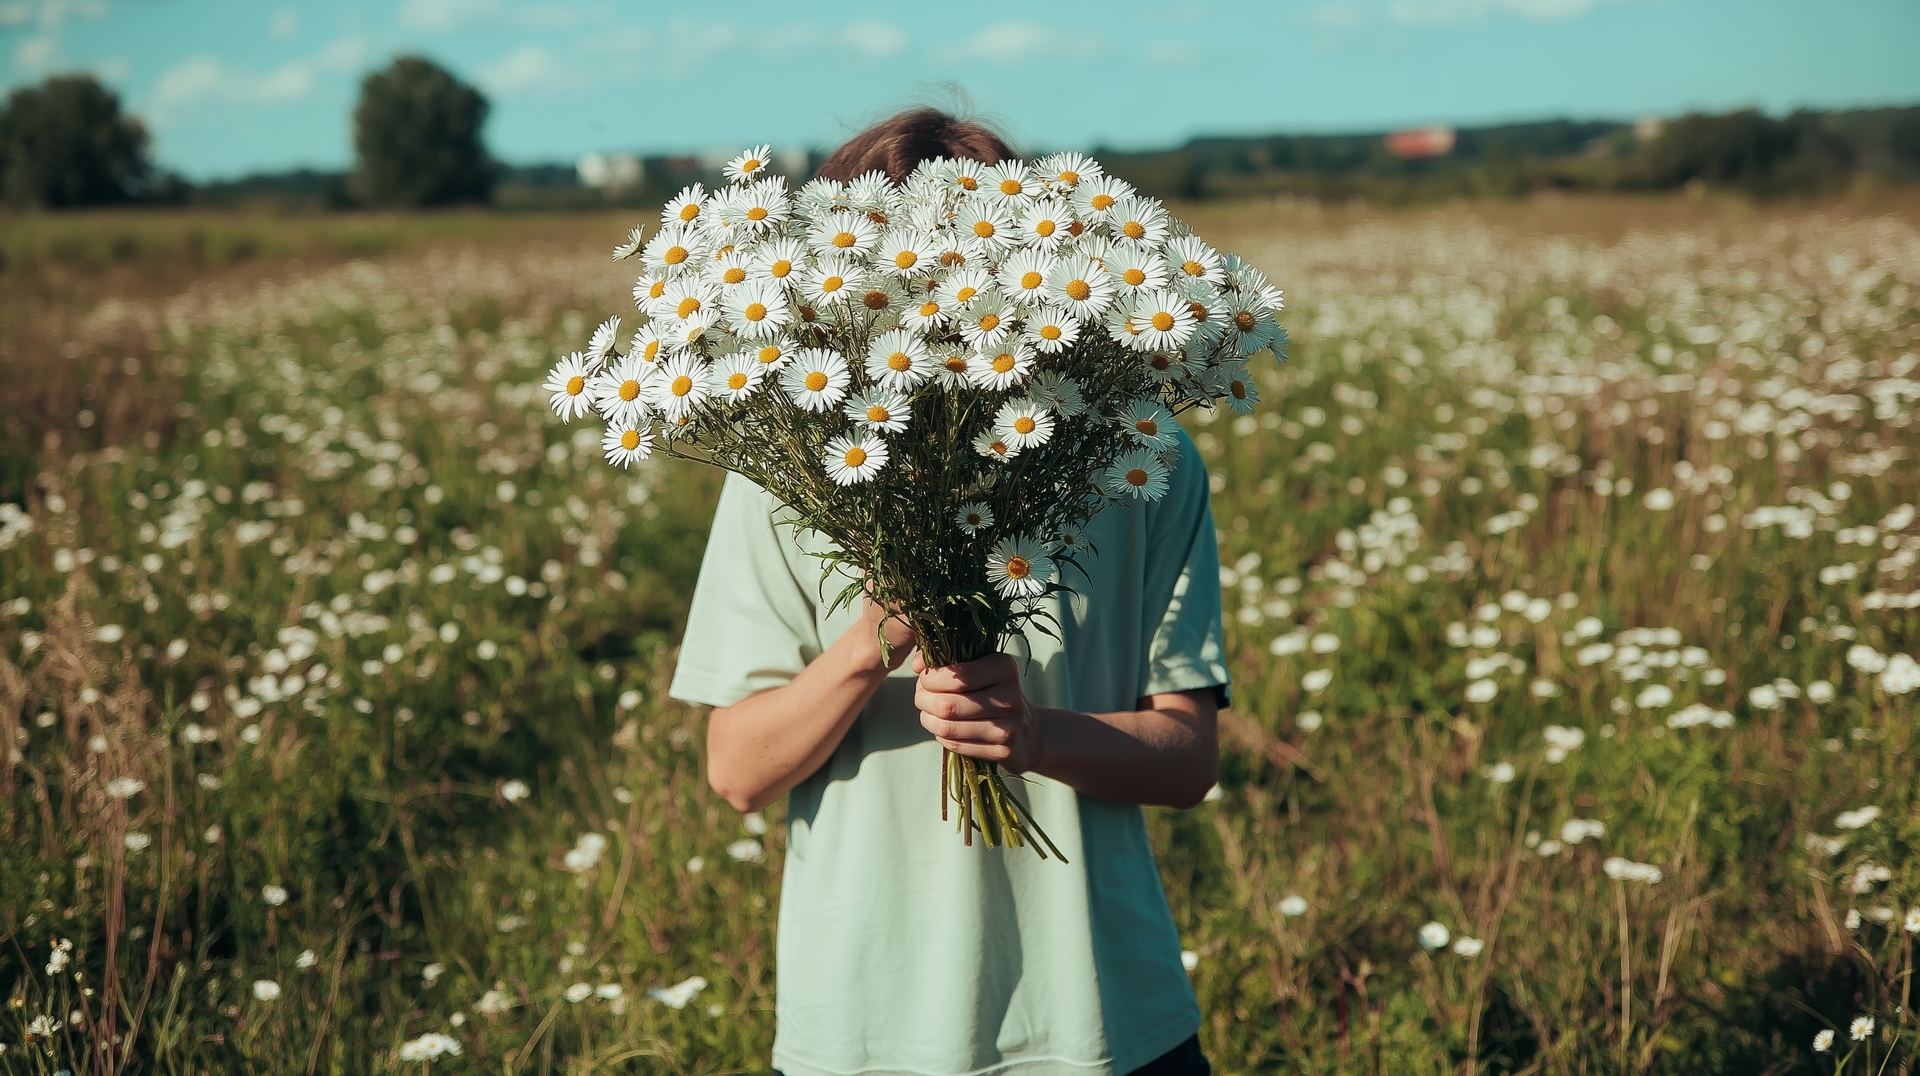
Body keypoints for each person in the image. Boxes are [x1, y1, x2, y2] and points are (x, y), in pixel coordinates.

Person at [667, 108, 1230, 1076]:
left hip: (1105, 1022)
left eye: (964, 257)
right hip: (869, 1032)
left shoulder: (1146, 452)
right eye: (892, 261)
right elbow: (736, 767)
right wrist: (870, 638)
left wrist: (1037, 736)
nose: (929, 298)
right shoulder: (786, 466)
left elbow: (1187, 758)